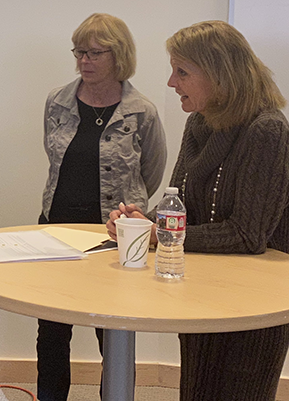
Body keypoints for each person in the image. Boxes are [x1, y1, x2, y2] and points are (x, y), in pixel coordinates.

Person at [108, 20, 289, 401]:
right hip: (203, 288)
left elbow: (247, 235)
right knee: (196, 391)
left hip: (254, 302)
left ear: (221, 76)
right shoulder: (198, 123)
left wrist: (162, 234)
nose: (172, 83)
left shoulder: (267, 130)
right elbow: (180, 203)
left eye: (182, 72)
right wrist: (143, 222)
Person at [38, 13, 167, 401]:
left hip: (113, 236)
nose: (84, 61)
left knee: (112, 332)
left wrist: (129, 215)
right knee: (52, 331)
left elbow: (152, 173)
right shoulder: (57, 102)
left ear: (119, 55)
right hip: (55, 228)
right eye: (79, 52)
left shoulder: (142, 111)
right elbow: (52, 154)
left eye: (95, 53)